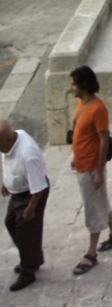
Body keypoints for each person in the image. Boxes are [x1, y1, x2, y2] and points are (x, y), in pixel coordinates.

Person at [67, 66, 112, 275]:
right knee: (100, 201)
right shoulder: (82, 103)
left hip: (91, 168)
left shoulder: (98, 109)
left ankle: (91, 254)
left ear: (83, 85)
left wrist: (99, 171)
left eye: (73, 84)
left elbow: (103, 141)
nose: (71, 88)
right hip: (82, 164)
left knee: (93, 210)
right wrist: (75, 155)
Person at [0, 120, 49, 292]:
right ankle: (34, 257)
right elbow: (9, 162)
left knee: (25, 231)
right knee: (10, 223)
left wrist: (31, 208)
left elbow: (39, 187)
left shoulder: (28, 155)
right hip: (18, 191)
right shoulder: (9, 141)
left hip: (32, 193)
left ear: (7, 140)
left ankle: (28, 270)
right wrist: (7, 182)